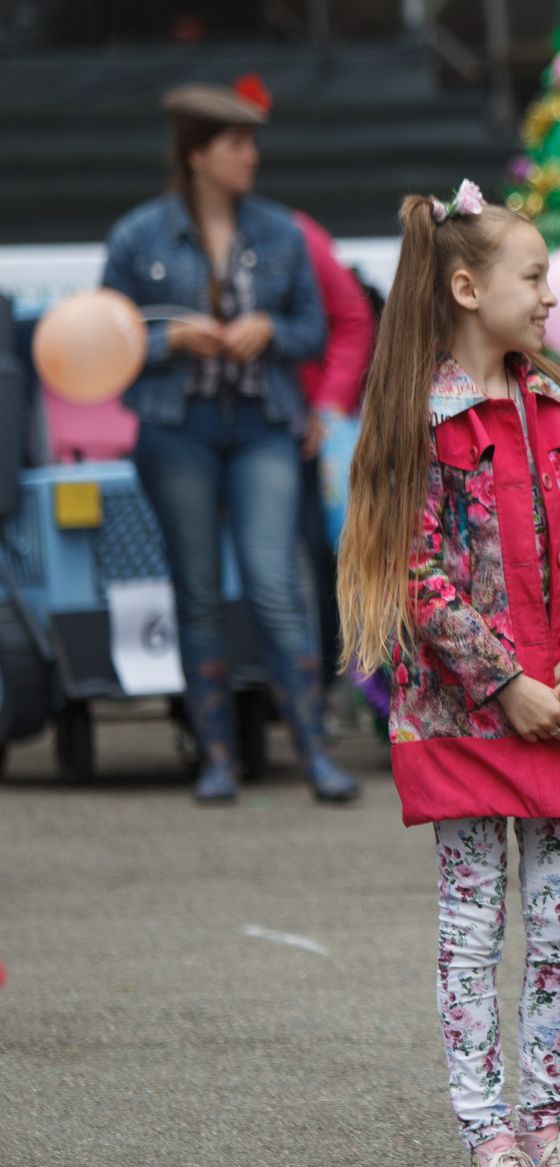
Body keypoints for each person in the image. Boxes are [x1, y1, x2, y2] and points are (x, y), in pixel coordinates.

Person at [335, 183, 560, 1167]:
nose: (551, 296)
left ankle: (547, 1129)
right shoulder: (420, 414)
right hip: (471, 713)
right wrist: (504, 682)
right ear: (467, 286)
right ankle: (489, 1144)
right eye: (535, 276)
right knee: (474, 927)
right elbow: (413, 573)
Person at [101, 80, 356, 803]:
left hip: (261, 426)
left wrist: (271, 332)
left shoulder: (280, 231)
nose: (252, 157)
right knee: (199, 591)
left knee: (276, 585)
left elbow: (317, 327)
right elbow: (105, 344)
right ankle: (216, 758)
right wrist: (170, 339)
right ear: (197, 156)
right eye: (236, 145)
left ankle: (314, 752)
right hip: (175, 428)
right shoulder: (136, 237)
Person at [291, 208, 377, 690]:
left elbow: (353, 317)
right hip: (242, 428)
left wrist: (328, 408)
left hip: (314, 433)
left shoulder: (295, 234)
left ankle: (331, 686)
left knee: (329, 556)